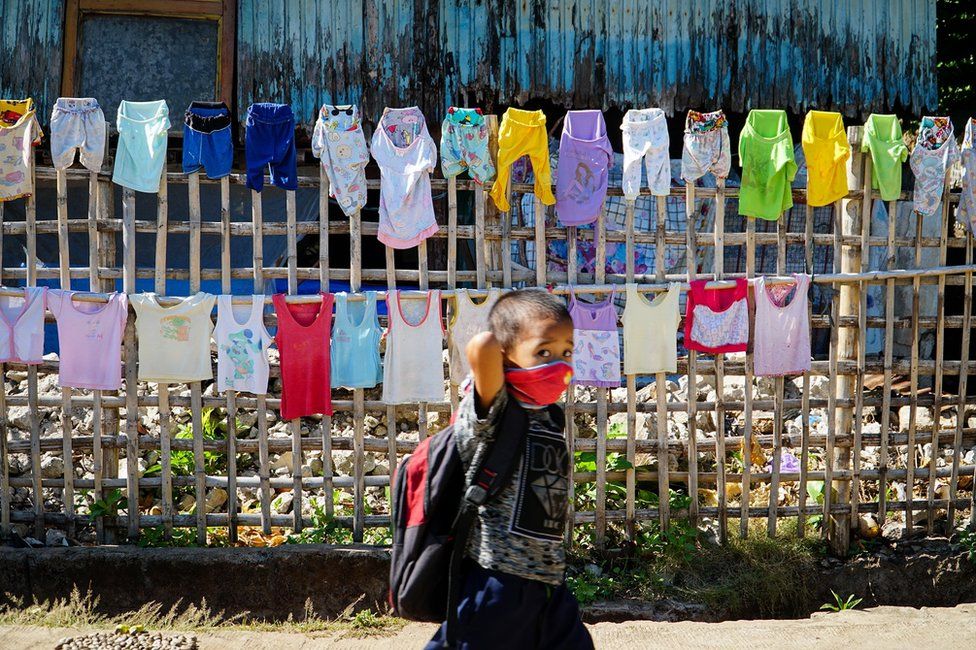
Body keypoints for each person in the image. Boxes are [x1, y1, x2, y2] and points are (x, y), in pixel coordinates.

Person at [426, 289, 594, 649]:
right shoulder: (496, 409)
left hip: (548, 581)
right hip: (496, 581)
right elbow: (482, 346)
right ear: (505, 356)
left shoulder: (550, 416)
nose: (560, 363)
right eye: (543, 352)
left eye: (567, 351)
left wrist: (536, 348)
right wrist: (503, 340)